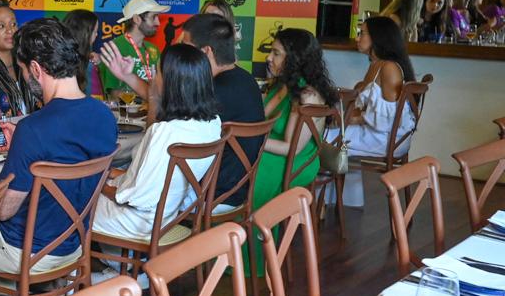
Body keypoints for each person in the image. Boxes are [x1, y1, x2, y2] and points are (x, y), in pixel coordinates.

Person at [0, 19, 117, 296]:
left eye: (23, 70)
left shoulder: (34, 131)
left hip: (27, 253)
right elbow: (63, 133)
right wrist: (22, 138)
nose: (24, 76)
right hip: (73, 244)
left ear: (36, 69)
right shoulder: (104, 116)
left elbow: (3, 210)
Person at [91, 44, 222, 241]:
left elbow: (132, 197)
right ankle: (120, 267)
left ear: (171, 83)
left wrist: (98, 185)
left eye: (157, 72)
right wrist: (112, 175)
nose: (152, 78)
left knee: (74, 199)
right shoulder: (213, 123)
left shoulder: (164, 132)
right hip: (170, 215)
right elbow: (156, 177)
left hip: (137, 223)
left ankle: (79, 269)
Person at [249, 28, 338, 230]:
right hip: (273, 152)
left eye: (276, 53)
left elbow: (291, 148)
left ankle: (250, 246)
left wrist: (252, 142)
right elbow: (258, 119)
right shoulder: (285, 85)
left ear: (295, 59)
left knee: (244, 178)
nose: (268, 57)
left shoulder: (306, 95)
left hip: (296, 162)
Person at [178, 14, 265, 211]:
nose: (181, 54)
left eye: (186, 48)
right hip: (236, 189)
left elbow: (176, 141)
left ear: (206, 51)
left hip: (210, 195)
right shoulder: (246, 80)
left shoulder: (214, 91)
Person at [343, 16, 416, 161]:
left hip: (388, 140)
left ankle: (329, 182)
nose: (357, 39)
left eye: (361, 33)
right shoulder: (376, 65)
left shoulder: (389, 68)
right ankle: (349, 184)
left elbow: (390, 119)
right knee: (325, 131)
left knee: (320, 136)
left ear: (377, 37)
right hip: (377, 134)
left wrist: (352, 119)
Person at [98, 0, 170, 100]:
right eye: (153, 17)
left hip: (152, 111)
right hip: (126, 114)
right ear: (137, 19)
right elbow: (113, 93)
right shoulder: (115, 47)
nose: (158, 23)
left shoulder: (153, 49)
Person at [61, 8, 104, 99]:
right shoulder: (89, 66)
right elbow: (95, 99)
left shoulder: (58, 58)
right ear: (85, 33)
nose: (96, 35)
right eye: (95, 31)